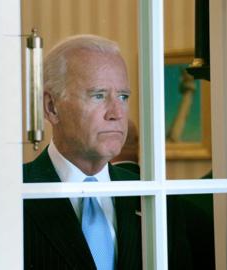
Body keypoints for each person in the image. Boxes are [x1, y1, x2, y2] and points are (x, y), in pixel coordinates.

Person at [23, 35, 141, 270]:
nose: (116, 113)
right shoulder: (15, 193)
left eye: (123, 97)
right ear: (51, 107)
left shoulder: (153, 197)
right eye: (98, 96)